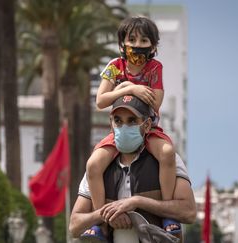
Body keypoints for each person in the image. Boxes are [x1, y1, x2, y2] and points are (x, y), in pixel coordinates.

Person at [86, 16, 178, 237]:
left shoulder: (155, 68)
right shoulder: (114, 67)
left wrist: (130, 89)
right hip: (120, 130)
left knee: (167, 153)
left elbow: (156, 102)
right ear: (122, 43)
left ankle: (168, 214)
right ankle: (100, 220)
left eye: (144, 40)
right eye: (132, 39)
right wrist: (129, 87)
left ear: (153, 46)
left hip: (148, 129)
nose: (137, 44)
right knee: (93, 165)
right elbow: (100, 100)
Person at [70, 95, 196, 242]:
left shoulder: (166, 158)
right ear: (111, 124)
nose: (124, 127)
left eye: (132, 121)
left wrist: (137, 201)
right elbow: (74, 225)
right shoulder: (98, 166)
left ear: (147, 125)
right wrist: (108, 213)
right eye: (118, 121)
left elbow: (189, 212)